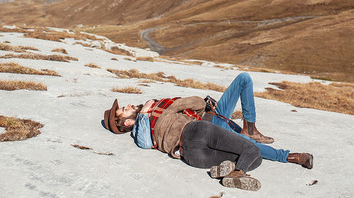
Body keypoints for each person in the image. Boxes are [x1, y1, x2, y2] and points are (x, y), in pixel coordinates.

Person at [103, 72, 313, 190]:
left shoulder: (152, 110)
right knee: (249, 147)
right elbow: (193, 102)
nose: (128, 105)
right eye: (124, 110)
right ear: (127, 122)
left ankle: (250, 127)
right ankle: (290, 156)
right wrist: (196, 104)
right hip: (207, 124)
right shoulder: (147, 117)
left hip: (211, 117)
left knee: (244, 79)